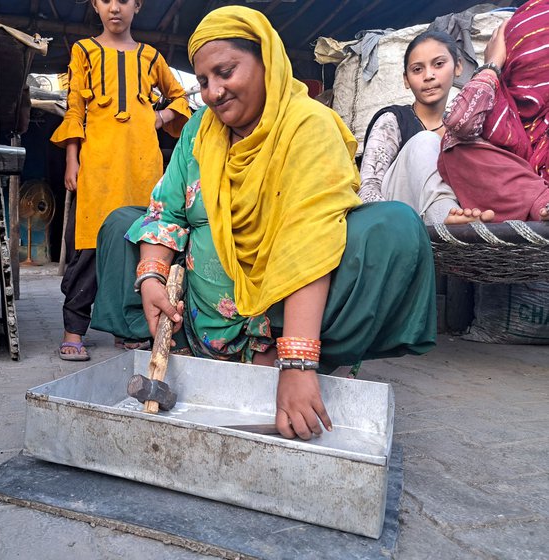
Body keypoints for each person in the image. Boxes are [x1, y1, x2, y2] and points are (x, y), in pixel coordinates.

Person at [90, 6, 437, 440]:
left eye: (226, 72)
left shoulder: (309, 126)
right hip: (195, 316)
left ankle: (290, 361)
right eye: (203, 81)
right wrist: (153, 280)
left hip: (287, 316)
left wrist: (297, 363)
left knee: (392, 228)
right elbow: (166, 210)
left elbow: (309, 241)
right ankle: (183, 353)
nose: (214, 92)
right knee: (121, 223)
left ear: (265, 60)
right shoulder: (199, 130)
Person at [51, 0, 190, 360]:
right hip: (98, 165)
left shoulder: (151, 56)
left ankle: (128, 329)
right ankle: (73, 330)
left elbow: (179, 99)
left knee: (138, 242)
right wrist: (72, 160)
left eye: (125, 0)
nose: (116, 7)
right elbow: (75, 111)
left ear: (137, 6)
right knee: (89, 243)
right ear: (95, 5)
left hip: (142, 165)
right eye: (107, 0)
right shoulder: (84, 51)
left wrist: (158, 119)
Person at [359, 31, 495, 224]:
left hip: (462, 214)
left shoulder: (465, 126)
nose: (428, 76)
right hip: (398, 218)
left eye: (438, 64)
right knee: (426, 140)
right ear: (406, 80)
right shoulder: (393, 119)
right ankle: (443, 216)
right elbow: (369, 186)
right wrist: (388, 224)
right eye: (417, 70)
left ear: (458, 67)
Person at [437, 0, 549, 222]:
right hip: (523, 208)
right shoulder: (497, 107)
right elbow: (460, 123)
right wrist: (492, 66)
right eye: (527, 57)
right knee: (455, 148)